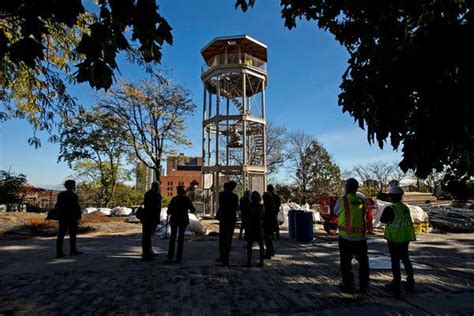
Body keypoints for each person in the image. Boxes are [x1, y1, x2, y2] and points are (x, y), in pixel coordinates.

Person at [333, 178, 370, 294]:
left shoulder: (342, 200)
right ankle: (364, 287)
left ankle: (348, 285)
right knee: (363, 263)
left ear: (346, 188)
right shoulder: (362, 201)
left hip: (346, 238)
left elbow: (336, 212)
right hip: (361, 238)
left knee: (346, 263)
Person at [380, 186, 416, 296]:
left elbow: (383, 220)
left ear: (391, 197)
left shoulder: (390, 208)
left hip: (395, 238)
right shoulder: (405, 208)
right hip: (405, 237)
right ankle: (410, 281)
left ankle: (396, 283)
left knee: (395, 262)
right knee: (406, 259)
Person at [166, 186, 196, 263]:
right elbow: (193, 210)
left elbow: (168, 211)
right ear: (184, 192)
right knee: (180, 239)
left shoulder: (174, 199)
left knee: (172, 238)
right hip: (183, 220)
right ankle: (179, 258)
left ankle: (170, 256)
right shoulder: (186, 199)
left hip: (174, 220)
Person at [55, 180, 82, 258]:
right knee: (72, 234)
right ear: (72, 186)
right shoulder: (74, 195)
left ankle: (59, 252)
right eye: (74, 185)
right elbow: (75, 207)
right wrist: (78, 216)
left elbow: (58, 205)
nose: (75, 186)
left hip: (62, 217)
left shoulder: (60, 194)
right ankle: (73, 250)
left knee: (61, 234)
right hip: (72, 217)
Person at [216, 180, 238, 266]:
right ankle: (227, 257)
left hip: (223, 217)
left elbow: (220, 204)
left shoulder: (222, 194)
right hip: (231, 218)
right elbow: (236, 207)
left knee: (222, 237)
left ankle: (222, 255)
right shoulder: (235, 196)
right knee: (229, 238)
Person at [142, 181, 162, 261]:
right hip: (152, 218)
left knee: (147, 236)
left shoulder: (147, 194)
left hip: (147, 217)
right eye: (158, 186)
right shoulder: (157, 195)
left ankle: (148, 252)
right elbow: (158, 208)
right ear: (157, 187)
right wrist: (158, 219)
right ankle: (147, 254)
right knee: (148, 236)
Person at [245, 191, 265, 267]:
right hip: (259, 226)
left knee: (249, 244)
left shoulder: (249, 206)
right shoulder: (261, 207)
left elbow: (246, 217)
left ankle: (249, 261)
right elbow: (263, 216)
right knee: (261, 244)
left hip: (251, 226)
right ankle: (261, 261)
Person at [262, 192, 276, 259]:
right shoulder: (271, 205)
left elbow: (266, 215)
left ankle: (268, 253)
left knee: (267, 238)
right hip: (270, 223)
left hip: (267, 223)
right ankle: (271, 251)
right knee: (269, 238)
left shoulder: (267, 205)